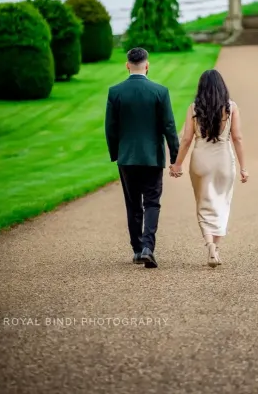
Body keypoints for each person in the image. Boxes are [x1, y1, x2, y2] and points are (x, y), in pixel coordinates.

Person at [105, 47, 179, 269]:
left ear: (127, 65)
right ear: (147, 65)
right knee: (152, 202)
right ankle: (148, 247)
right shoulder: (160, 91)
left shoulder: (115, 91)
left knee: (133, 205)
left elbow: (110, 128)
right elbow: (169, 127)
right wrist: (175, 156)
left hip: (127, 158)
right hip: (152, 157)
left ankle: (137, 249)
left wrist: (116, 153)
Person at [170, 69, 248, 267]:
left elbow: (187, 139)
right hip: (223, 160)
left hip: (200, 160)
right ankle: (217, 248)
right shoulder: (231, 108)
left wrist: (177, 164)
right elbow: (237, 138)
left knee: (203, 203)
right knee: (222, 203)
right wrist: (243, 168)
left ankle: (209, 245)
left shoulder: (194, 107)